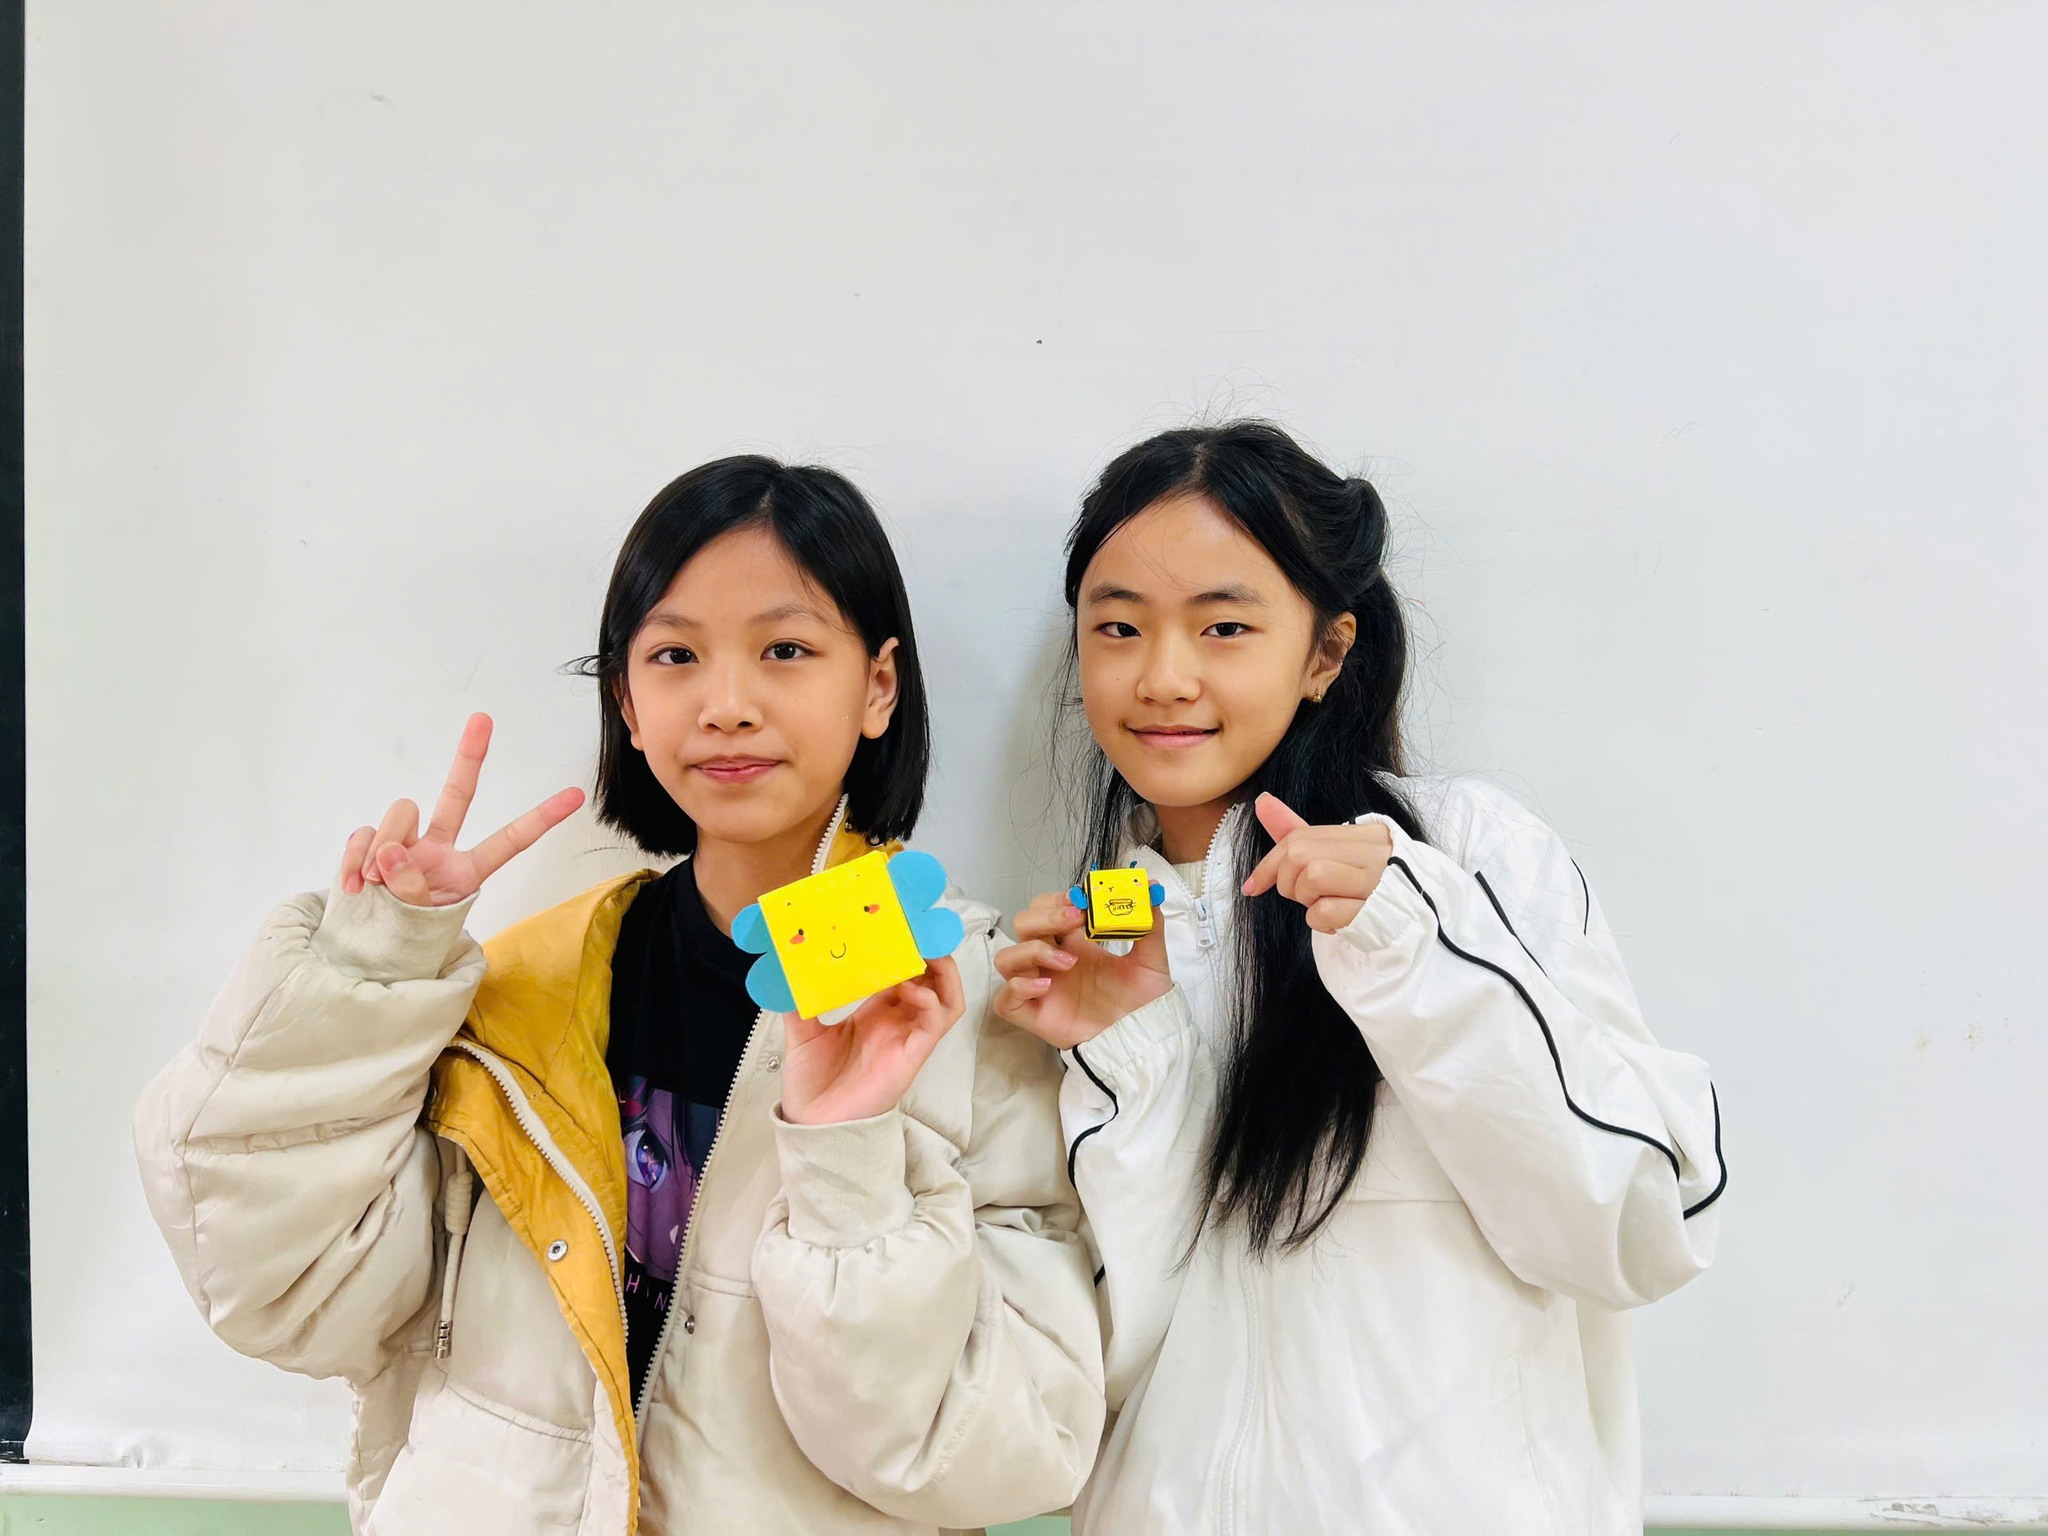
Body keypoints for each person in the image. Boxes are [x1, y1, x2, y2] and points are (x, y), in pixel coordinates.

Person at [134, 456, 1104, 1535]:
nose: (726, 706)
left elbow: (999, 1452)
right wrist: (367, 972)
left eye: (785, 650)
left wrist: (846, 1165)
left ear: (878, 686)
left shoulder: (967, 1003)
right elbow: (289, 1295)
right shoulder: (524, 990)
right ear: (627, 705)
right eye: (675, 655)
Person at [993, 420, 1726, 1533]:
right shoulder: (1094, 938)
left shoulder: (1463, 856)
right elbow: (1117, 1363)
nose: (1162, 677)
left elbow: (1639, 1222)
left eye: (1224, 626)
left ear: (1325, 653)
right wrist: (1131, 1049)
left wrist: (1408, 947)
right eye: (1118, 627)